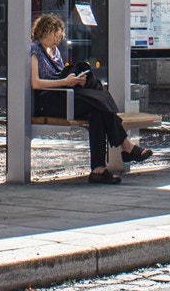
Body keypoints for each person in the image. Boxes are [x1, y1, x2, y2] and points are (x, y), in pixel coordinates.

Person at [29, 13, 150, 184]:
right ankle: (126, 146)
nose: (57, 39)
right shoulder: (35, 49)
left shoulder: (55, 51)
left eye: (59, 35)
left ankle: (98, 169)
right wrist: (66, 81)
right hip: (48, 100)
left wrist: (73, 81)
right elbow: (35, 83)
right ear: (44, 32)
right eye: (54, 35)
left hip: (65, 94)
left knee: (96, 112)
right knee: (99, 103)